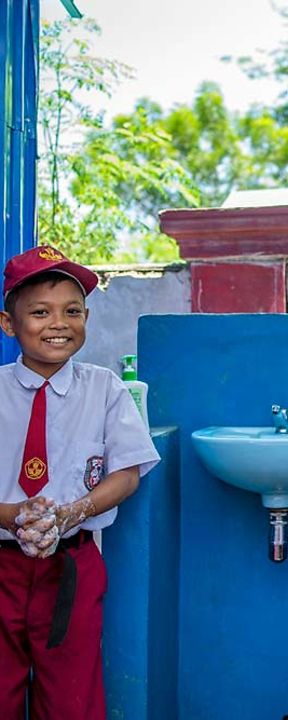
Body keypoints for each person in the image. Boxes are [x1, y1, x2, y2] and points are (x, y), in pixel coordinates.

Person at [0, 245, 160, 719]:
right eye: (40, 312)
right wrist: (11, 517)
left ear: (87, 318)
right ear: (9, 324)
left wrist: (73, 511)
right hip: (2, 563)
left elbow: (127, 473)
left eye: (72, 312)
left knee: (72, 695)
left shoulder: (104, 388)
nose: (58, 324)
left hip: (71, 566)